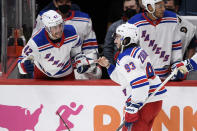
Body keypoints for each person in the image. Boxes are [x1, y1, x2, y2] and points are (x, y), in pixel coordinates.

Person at [96, 23, 166, 131]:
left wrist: (133, 107)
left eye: (118, 38)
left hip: (145, 102)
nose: (115, 41)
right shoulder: (138, 51)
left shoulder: (127, 57)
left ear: (126, 39)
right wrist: (108, 66)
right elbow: (124, 80)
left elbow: (140, 84)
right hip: (153, 101)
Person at [33, 0, 102, 80]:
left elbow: (90, 48)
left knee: (94, 72)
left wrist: (87, 64)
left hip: (77, 64)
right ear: (55, 3)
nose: (64, 5)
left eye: (67, 2)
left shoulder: (84, 19)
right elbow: (36, 45)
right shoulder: (43, 18)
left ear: (71, 2)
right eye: (61, 2)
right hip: (51, 63)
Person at [18, 10, 90, 79]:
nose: (59, 30)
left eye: (60, 25)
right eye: (55, 27)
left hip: (66, 74)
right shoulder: (36, 41)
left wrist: (81, 61)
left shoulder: (71, 32)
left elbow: (76, 52)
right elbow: (22, 59)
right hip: (42, 75)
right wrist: (24, 66)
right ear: (47, 28)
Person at [127, 0, 183, 80]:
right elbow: (129, 52)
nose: (163, 9)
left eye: (164, 6)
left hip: (166, 78)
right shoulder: (134, 23)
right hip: (142, 78)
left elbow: (176, 46)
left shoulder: (172, 19)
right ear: (149, 7)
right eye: (160, 6)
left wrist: (177, 64)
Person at [103, 0, 140, 65]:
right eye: (126, 8)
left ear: (138, 7)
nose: (129, 10)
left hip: (141, 64)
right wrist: (112, 67)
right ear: (123, 8)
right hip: (121, 66)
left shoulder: (144, 25)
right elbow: (107, 48)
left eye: (132, 7)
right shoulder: (114, 27)